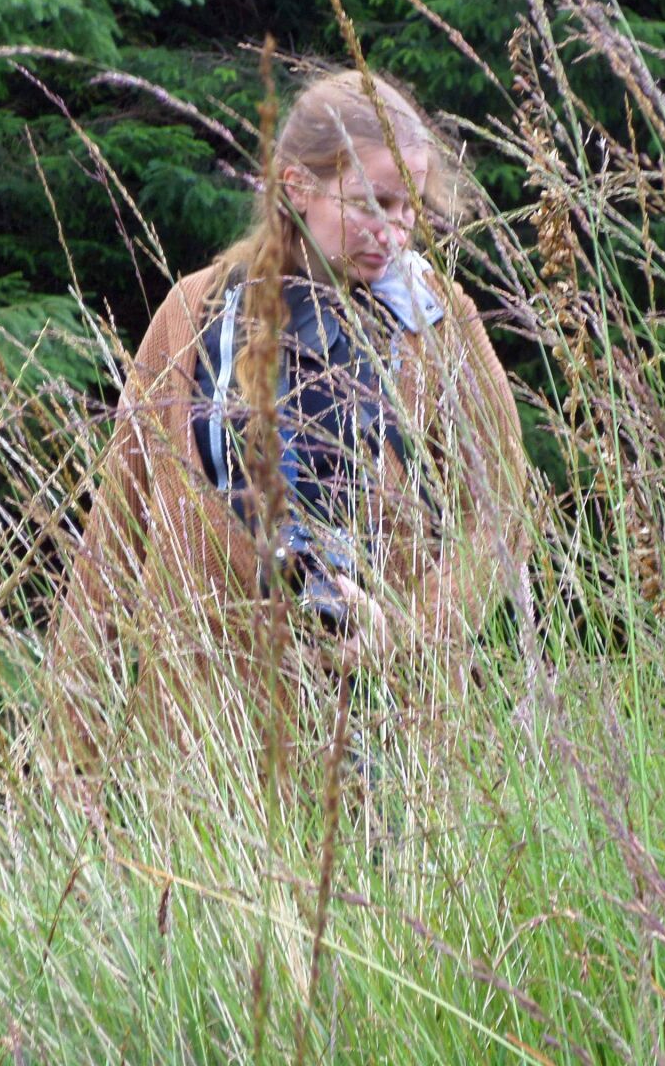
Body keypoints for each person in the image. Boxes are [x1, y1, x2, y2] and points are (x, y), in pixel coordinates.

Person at [51, 67, 528, 760]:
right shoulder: (194, 314)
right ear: (297, 186)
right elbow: (113, 539)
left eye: (408, 209)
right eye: (372, 202)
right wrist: (74, 761)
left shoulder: (437, 319)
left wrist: (410, 626)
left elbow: (506, 508)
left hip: (395, 745)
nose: (393, 232)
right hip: (209, 753)